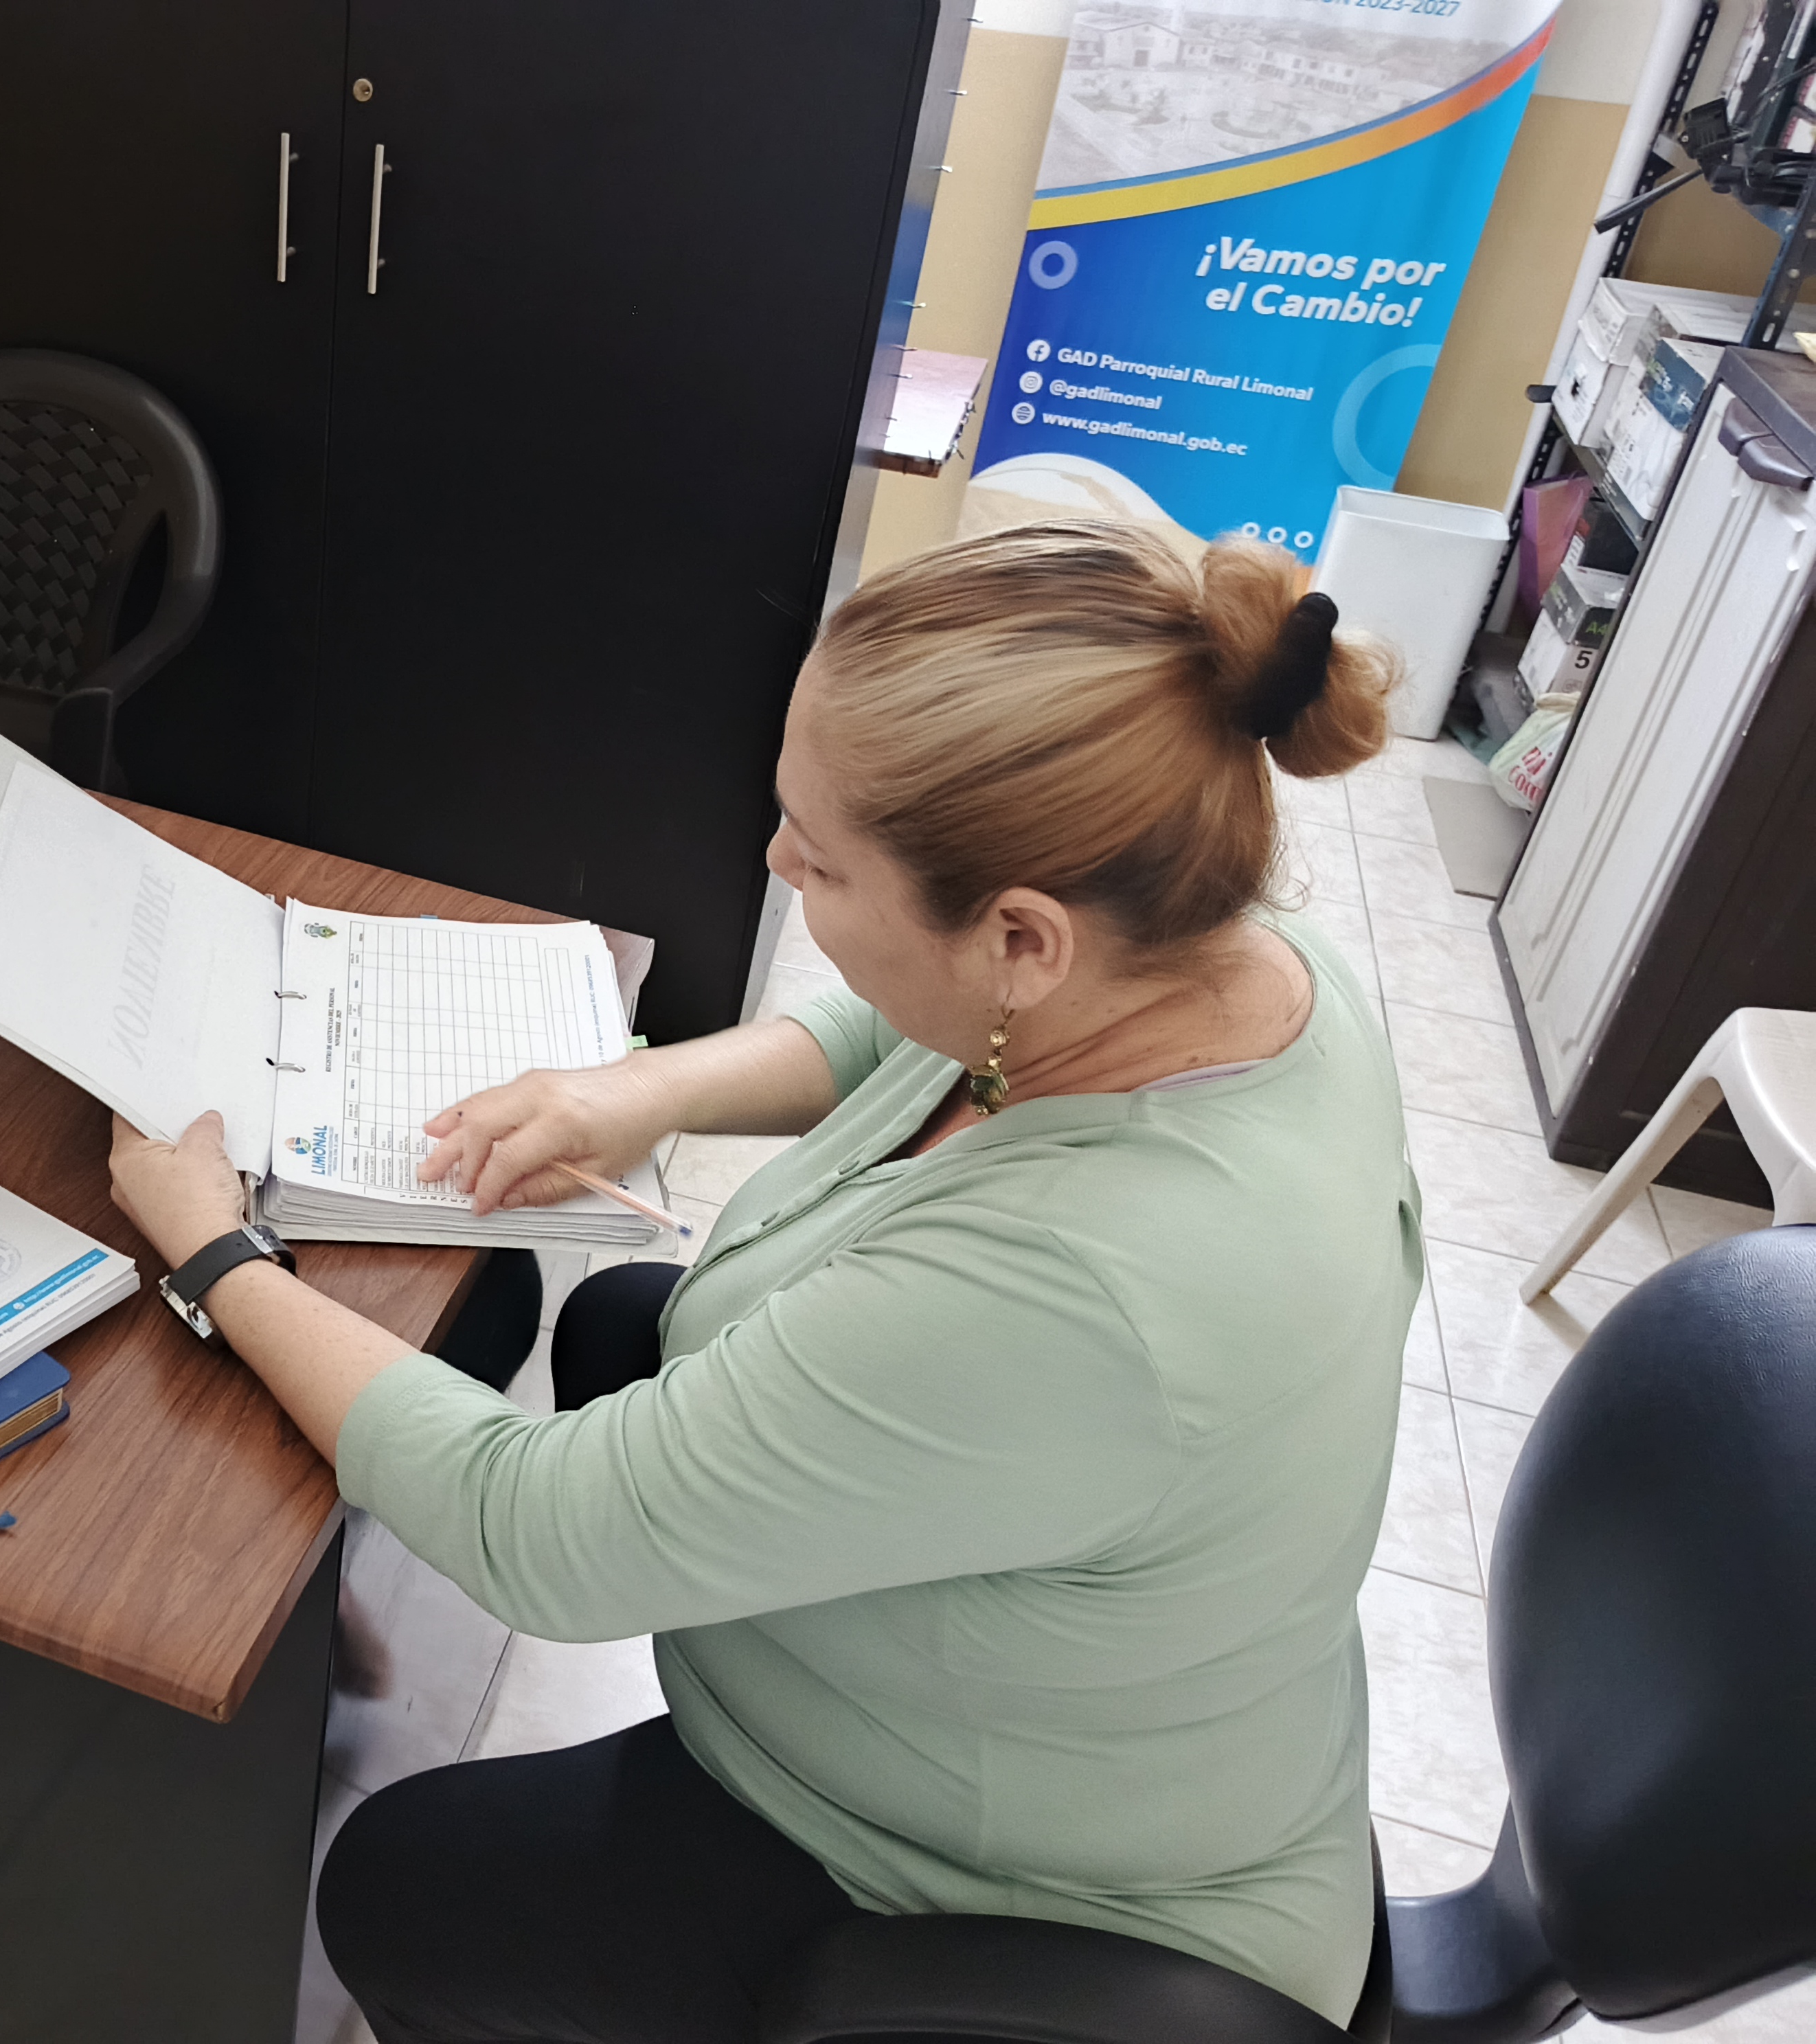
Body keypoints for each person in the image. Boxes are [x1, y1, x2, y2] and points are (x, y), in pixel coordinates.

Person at [106, 519, 1415, 2043]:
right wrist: (636, 1094)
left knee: (403, 1889)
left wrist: (219, 1254)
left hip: (1009, 1900)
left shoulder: (1085, 1292)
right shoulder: (1212, 948)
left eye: (819, 856)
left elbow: (540, 1536)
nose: (775, 864)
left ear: (1020, 939)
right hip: (1114, 1704)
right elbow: (907, 1029)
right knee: (623, 1325)